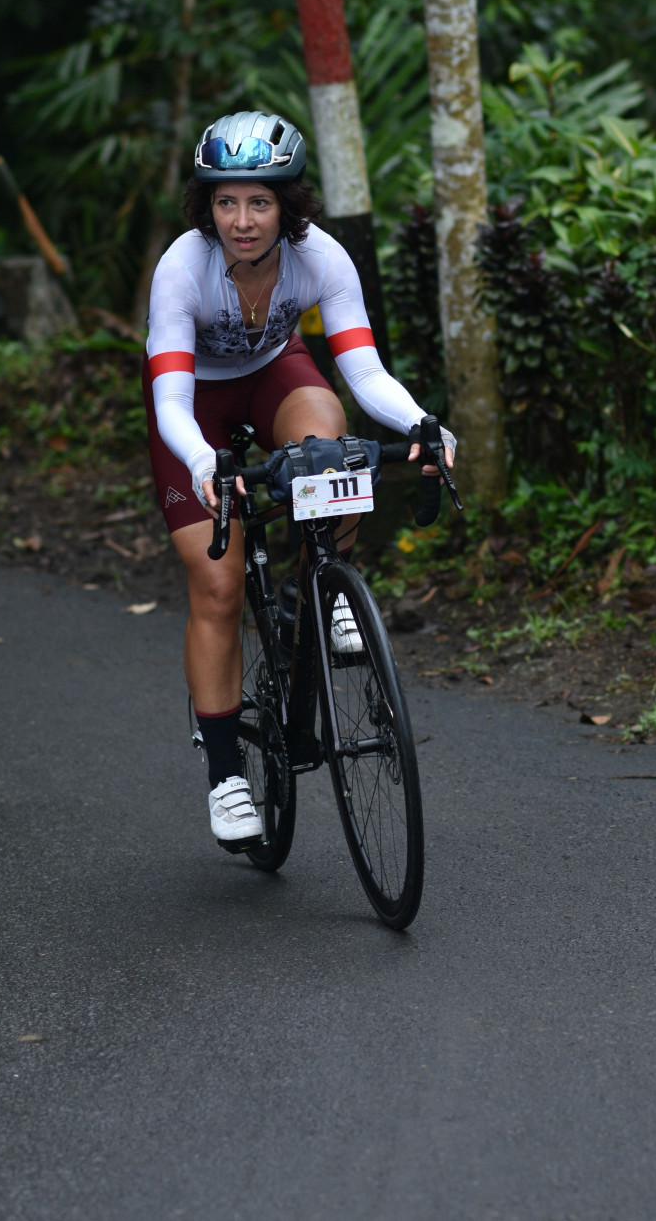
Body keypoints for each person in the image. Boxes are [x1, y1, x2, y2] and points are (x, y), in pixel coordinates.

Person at [143, 110, 454, 849]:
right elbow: (171, 401)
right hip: (194, 405)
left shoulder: (321, 258)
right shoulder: (183, 267)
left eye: (259, 202)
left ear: (287, 204)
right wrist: (205, 464)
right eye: (226, 202)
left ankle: (319, 583)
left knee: (332, 447)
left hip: (272, 376)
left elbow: (364, 372)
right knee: (217, 582)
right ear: (207, 205)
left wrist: (421, 423)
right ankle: (227, 775)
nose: (242, 221)